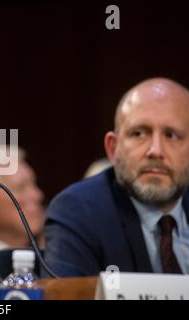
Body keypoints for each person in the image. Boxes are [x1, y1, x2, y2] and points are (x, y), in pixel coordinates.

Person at [44, 78, 189, 277]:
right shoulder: (78, 212)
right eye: (139, 133)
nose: (155, 150)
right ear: (113, 149)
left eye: (171, 135)